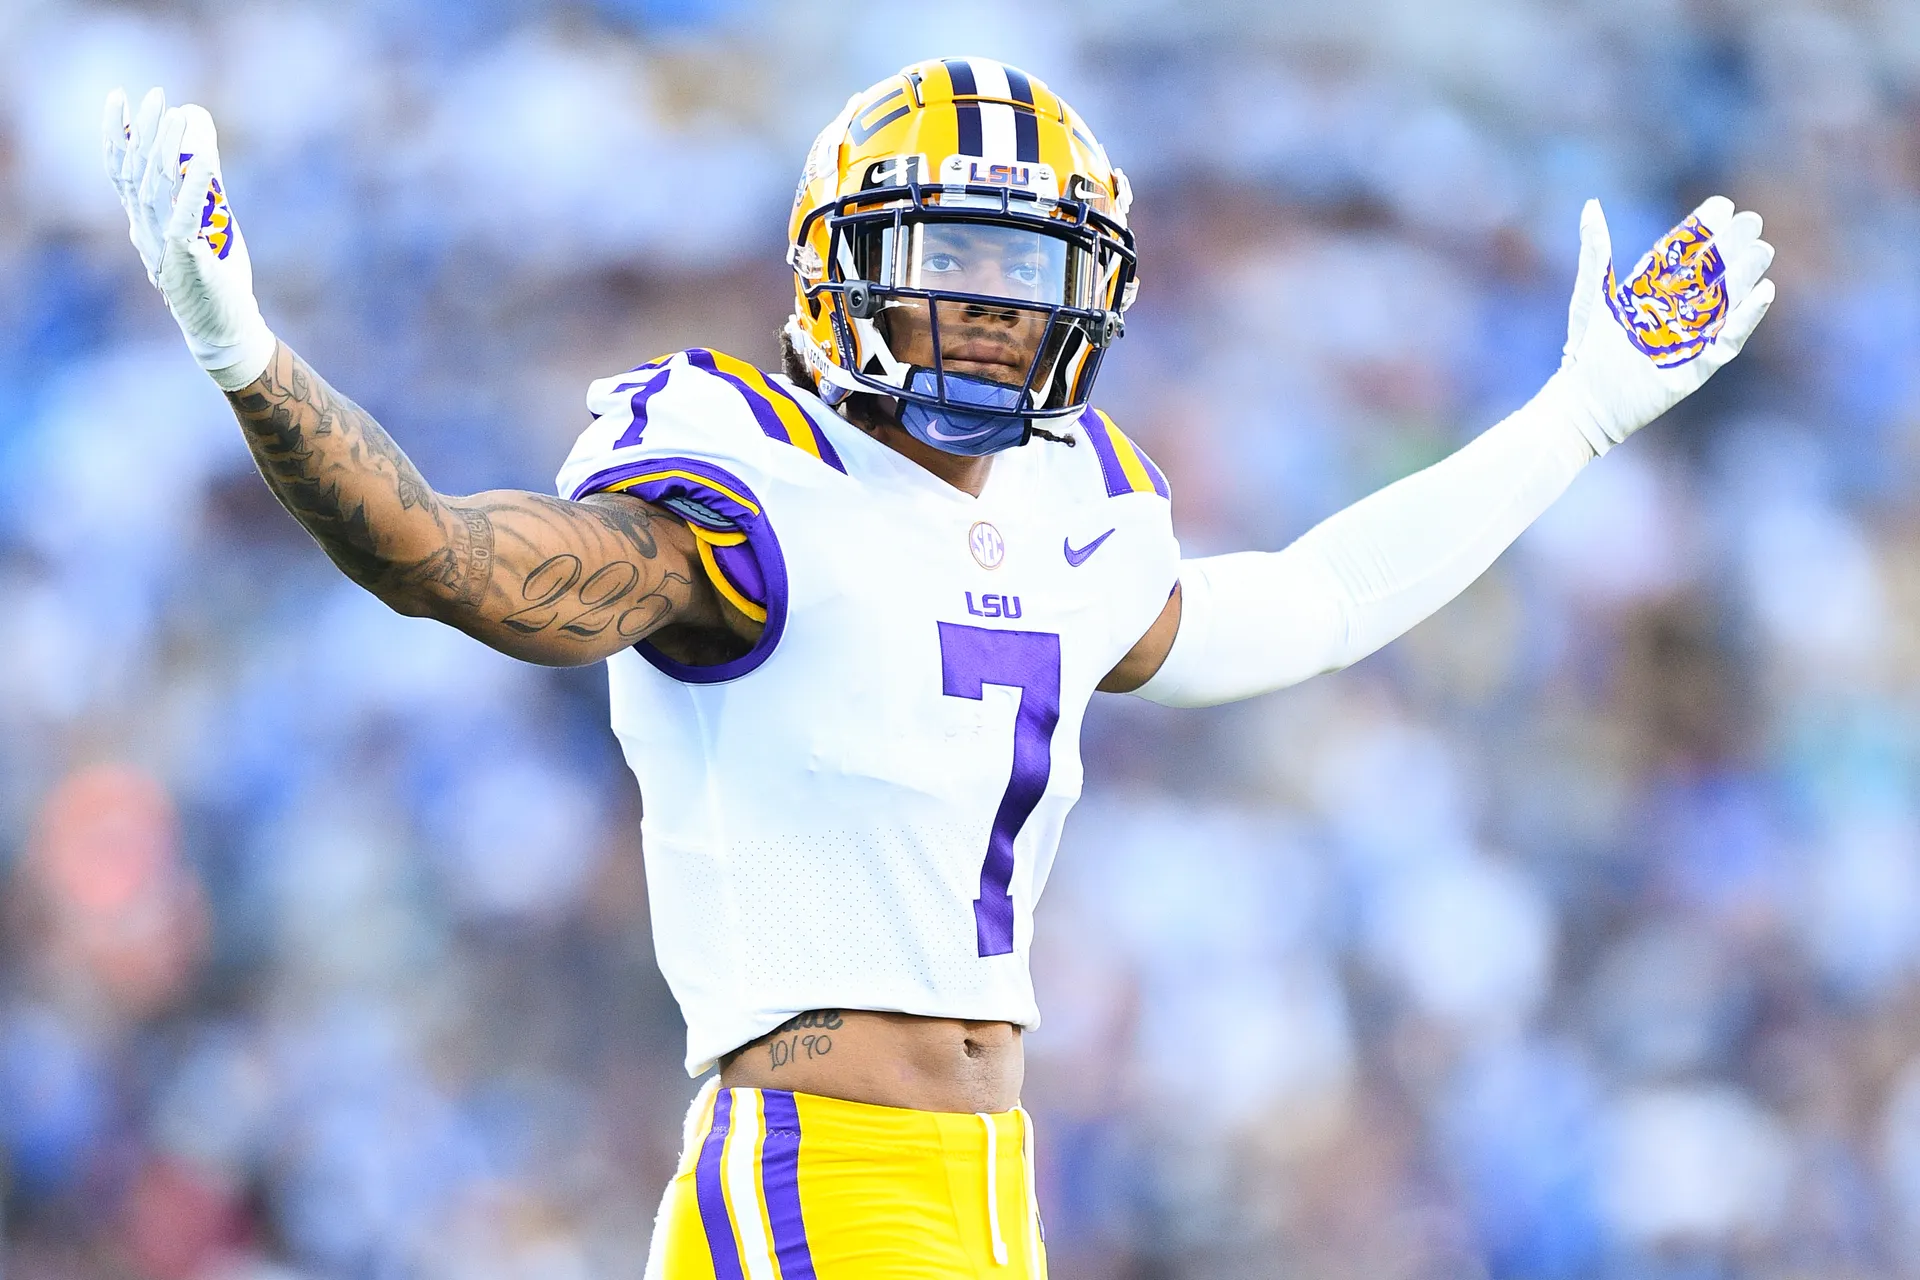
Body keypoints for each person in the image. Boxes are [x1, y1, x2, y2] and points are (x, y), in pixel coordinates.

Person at [104, 56, 1773, 1279]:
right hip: (809, 1173)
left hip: (989, 1193)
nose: (992, 311)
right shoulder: (746, 479)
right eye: (952, 263)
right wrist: (244, 350)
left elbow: (1317, 603)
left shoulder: (1069, 510)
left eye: (1031, 274)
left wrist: (1577, 415)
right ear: (844, 269)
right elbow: (448, 560)